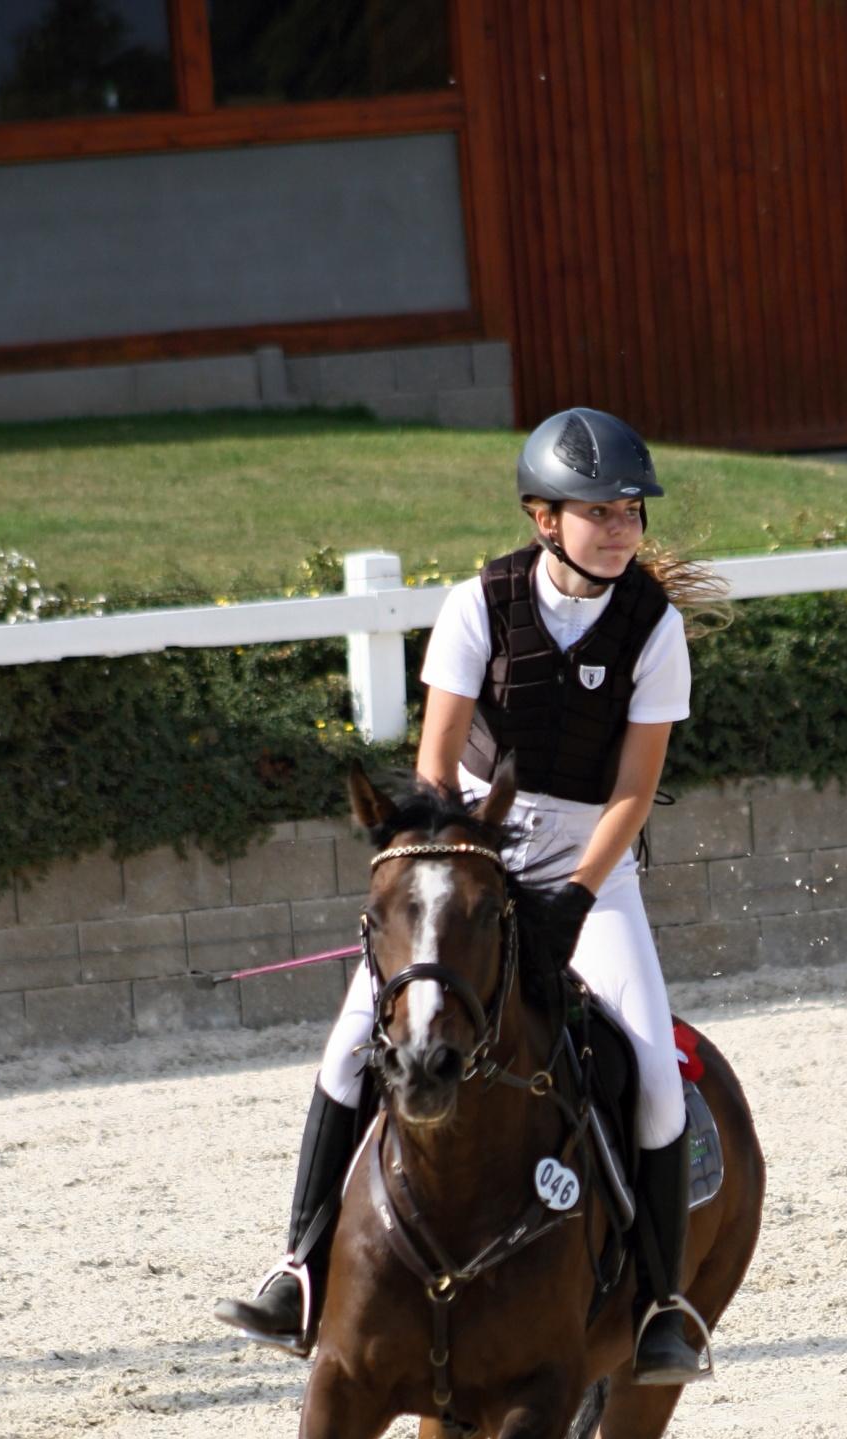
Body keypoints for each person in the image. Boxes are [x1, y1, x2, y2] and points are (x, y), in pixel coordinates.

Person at [214, 404, 724, 1384]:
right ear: (544, 518)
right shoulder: (478, 604)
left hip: (590, 861)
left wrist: (574, 898)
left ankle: (663, 1305)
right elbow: (437, 761)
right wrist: (457, 865)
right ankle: (299, 1271)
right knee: (351, 1043)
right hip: (470, 847)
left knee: (654, 1070)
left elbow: (635, 790)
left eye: (630, 511)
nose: (620, 528)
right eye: (599, 512)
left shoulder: (654, 627)